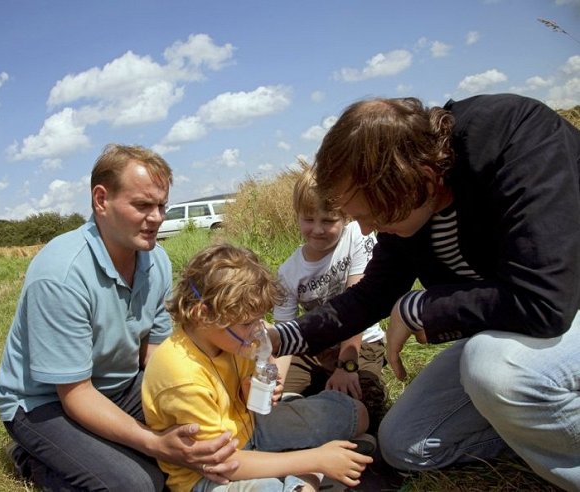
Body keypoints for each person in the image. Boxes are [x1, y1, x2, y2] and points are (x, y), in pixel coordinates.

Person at [270, 94, 580, 491]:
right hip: (513, 333)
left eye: (369, 216)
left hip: (561, 309)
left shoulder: (515, 136)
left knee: (495, 369)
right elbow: (369, 296)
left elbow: (545, 301)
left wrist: (423, 307)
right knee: (407, 445)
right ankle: (534, 423)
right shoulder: (407, 209)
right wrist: (279, 338)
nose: (365, 231)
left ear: (408, 182)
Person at [0, 144, 238, 491]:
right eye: (142, 205)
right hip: (46, 404)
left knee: (203, 421)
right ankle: (33, 459)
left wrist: (194, 389)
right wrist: (153, 442)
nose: (156, 217)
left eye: (161, 206)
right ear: (101, 200)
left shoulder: (156, 262)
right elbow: (75, 394)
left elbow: (154, 352)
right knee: (139, 484)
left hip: (117, 384)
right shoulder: (61, 275)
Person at [142, 243, 374, 492]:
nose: (256, 331)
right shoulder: (181, 375)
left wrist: (252, 390)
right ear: (203, 314)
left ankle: (307, 469)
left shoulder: (227, 340)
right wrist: (316, 458)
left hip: (250, 428)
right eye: (246, 323)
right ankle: (308, 473)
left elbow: (245, 397)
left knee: (356, 414)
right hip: (210, 475)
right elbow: (224, 462)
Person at [273, 164, 386, 429]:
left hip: (359, 344)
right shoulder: (288, 272)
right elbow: (283, 336)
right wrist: (274, 384)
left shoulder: (357, 237)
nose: (318, 229)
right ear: (297, 217)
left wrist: (347, 367)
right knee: (275, 402)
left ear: (345, 217)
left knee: (364, 401)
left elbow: (359, 307)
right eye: (309, 219)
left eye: (329, 220)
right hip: (314, 347)